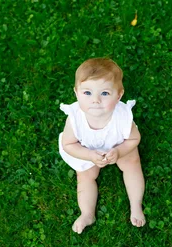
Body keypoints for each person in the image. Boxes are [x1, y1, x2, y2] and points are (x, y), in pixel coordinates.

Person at [58, 58, 146, 234]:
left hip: (118, 144)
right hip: (88, 149)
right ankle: (87, 213)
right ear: (76, 93)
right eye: (87, 93)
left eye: (105, 93)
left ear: (119, 95)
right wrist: (89, 155)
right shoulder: (75, 118)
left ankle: (136, 205)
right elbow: (68, 144)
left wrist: (120, 151)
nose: (95, 100)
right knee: (85, 176)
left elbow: (134, 139)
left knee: (132, 164)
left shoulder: (122, 117)